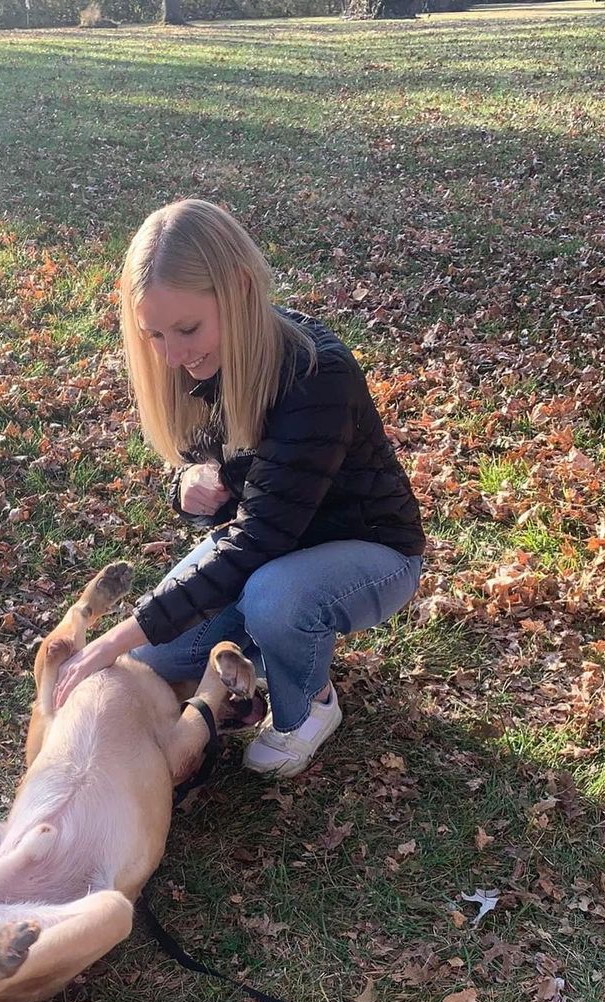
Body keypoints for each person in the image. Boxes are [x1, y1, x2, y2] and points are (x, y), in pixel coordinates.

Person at [53, 199, 425, 779]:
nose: (173, 355)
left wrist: (109, 641)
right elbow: (227, 495)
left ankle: (309, 706)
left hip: (370, 551)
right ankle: (273, 643)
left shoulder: (313, 375)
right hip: (270, 549)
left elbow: (258, 541)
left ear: (241, 289)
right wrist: (187, 486)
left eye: (188, 328)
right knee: (161, 659)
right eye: (153, 334)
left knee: (276, 598)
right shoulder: (199, 365)